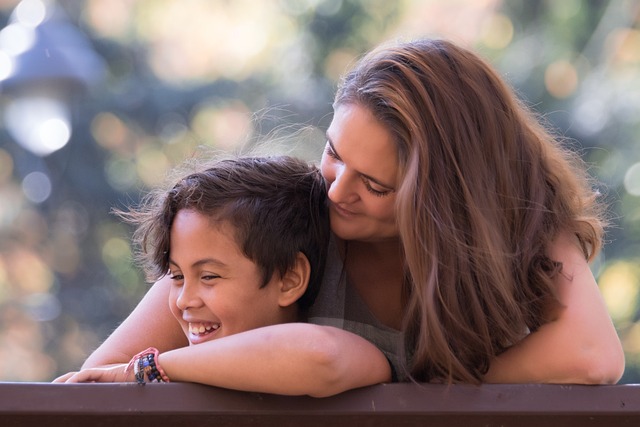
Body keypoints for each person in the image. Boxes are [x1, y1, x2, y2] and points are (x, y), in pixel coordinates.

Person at [59, 38, 624, 393]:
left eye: (375, 185)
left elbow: (593, 356)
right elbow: (99, 378)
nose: (337, 191)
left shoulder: (524, 225)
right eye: (333, 153)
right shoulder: (288, 214)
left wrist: (408, 392)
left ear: (446, 199)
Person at [56, 155, 390, 391]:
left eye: (209, 277)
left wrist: (153, 369)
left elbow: (322, 356)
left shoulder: (341, 349)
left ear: (289, 279)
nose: (184, 299)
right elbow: (96, 382)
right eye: (176, 276)